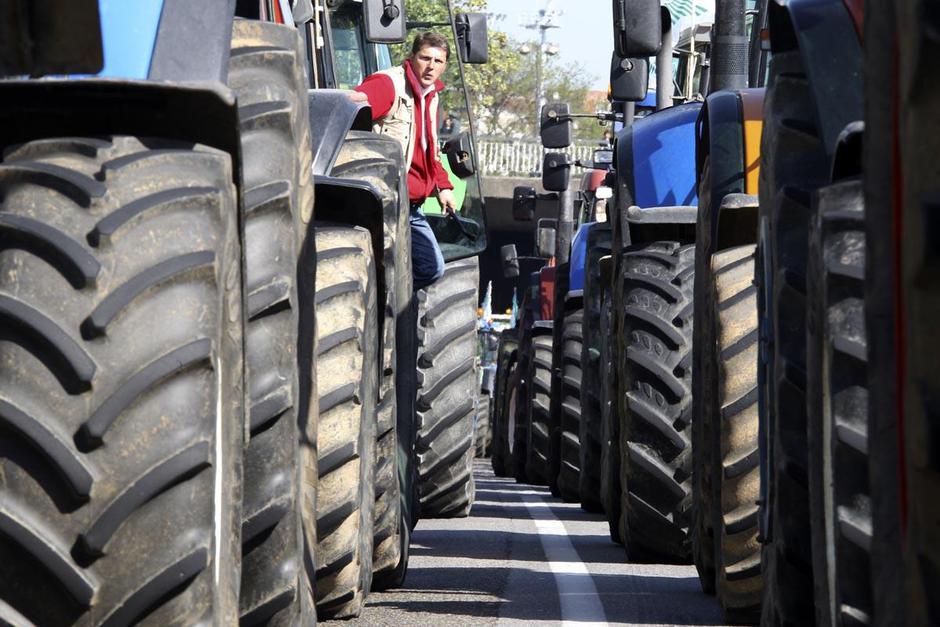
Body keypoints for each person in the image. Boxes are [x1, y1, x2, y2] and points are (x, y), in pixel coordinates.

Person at [349, 32, 456, 290]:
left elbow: (428, 150)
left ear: (445, 65)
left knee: (431, 268)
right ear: (412, 57)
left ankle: (387, 302)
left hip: (412, 206)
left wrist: (443, 187)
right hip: (387, 202)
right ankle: (378, 298)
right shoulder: (388, 85)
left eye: (438, 61)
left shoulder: (431, 95)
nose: (431, 66)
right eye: (425, 58)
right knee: (417, 269)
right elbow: (346, 108)